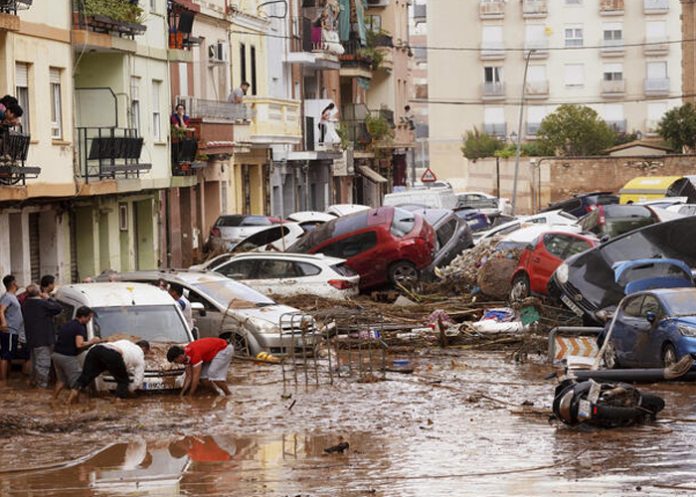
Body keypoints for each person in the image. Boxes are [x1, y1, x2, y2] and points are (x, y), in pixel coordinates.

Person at [68, 339, 150, 403]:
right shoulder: (140, 356)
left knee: (86, 376)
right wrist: (130, 390)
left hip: (95, 349)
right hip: (113, 354)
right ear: (145, 349)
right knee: (123, 381)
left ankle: (69, 401)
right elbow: (138, 381)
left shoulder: (126, 342)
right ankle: (117, 404)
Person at [52, 306, 101, 399]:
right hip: (67, 357)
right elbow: (79, 344)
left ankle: (53, 399)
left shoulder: (67, 324)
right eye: (89, 318)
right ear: (83, 317)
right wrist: (92, 341)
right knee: (78, 382)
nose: (89, 320)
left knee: (61, 380)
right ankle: (71, 404)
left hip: (56, 355)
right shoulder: (79, 327)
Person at [21, 284, 62, 388]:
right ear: (39, 292)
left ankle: (34, 383)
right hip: (43, 339)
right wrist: (48, 298)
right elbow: (58, 308)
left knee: (35, 363)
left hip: (31, 338)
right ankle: (41, 386)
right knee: (43, 364)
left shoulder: (25, 304)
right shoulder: (42, 304)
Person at [166, 337, 233, 396]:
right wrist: (182, 394)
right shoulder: (185, 357)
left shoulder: (194, 354)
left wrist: (190, 395)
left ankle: (228, 394)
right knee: (203, 378)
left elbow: (195, 377)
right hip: (213, 353)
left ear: (180, 357)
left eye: (176, 361)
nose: (177, 363)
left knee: (213, 374)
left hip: (224, 348)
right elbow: (189, 377)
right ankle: (216, 394)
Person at [0, 275, 25, 381]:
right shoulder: (7, 297)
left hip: (14, 331)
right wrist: (4, 323)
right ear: (13, 283)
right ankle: (3, 381)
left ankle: (7, 379)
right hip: (9, 330)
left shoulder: (12, 296)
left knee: (9, 356)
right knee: (5, 356)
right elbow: (1, 310)